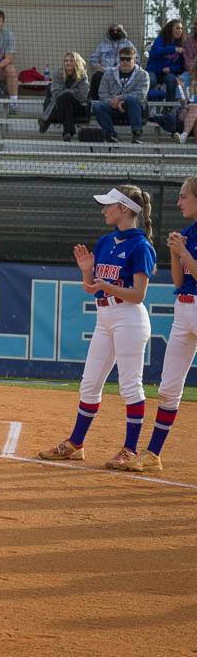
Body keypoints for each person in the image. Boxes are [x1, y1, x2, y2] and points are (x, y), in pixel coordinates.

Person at [38, 186, 156, 470]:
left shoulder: (141, 246)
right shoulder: (105, 242)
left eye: (109, 206)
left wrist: (105, 285)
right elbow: (94, 289)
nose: (104, 210)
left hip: (129, 318)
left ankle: (129, 450)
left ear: (124, 209)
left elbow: (138, 295)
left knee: (130, 385)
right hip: (104, 317)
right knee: (89, 384)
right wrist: (87, 271)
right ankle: (75, 445)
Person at [132, 178, 197, 471]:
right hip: (184, 310)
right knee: (169, 387)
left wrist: (184, 253)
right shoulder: (187, 233)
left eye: (184, 196)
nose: (178, 202)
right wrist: (175, 250)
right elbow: (179, 281)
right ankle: (153, 453)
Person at [92, 46, 149, 144]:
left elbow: (141, 94)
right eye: (122, 59)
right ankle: (111, 135)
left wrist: (120, 98)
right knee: (97, 106)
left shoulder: (143, 74)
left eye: (128, 59)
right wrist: (112, 101)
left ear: (134, 60)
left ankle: (137, 134)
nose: (124, 62)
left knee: (132, 99)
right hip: (113, 107)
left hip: (134, 110)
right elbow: (102, 93)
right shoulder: (109, 73)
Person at [38, 52, 90, 141]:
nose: (68, 63)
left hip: (78, 108)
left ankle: (47, 120)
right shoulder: (57, 74)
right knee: (65, 99)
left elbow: (82, 96)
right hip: (61, 107)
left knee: (66, 96)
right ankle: (67, 132)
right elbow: (56, 94)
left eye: (71, 61)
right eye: (66, 61)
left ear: (76, 63)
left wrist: (67, 92)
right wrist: (71, 92)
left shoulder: (83, 77)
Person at [88, 23, 134, 102]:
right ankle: (96, 102)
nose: (115, 32)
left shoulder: (128, 44)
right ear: (109, 32)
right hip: (105, 71)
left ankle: (122, 101)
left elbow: (136, 59)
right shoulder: (103, 44)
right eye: (112, 30)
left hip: (122, 72)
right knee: (96, 76)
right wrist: (99, 67)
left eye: (118, 30)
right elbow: (93, 59)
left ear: (122, 32)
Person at [146, 19, 187, 103]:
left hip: (168, 73)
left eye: (181, 29)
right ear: (170, 29)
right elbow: (154, 53)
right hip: (154, 71)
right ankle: (148, 105)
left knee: (171, 79)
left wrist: (171, 69)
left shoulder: (182, 44)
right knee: (151, 79)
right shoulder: (160, 40)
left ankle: (169, 107)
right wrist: (173, 49)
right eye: (177, 28)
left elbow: (180, 65)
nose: (180, 31)